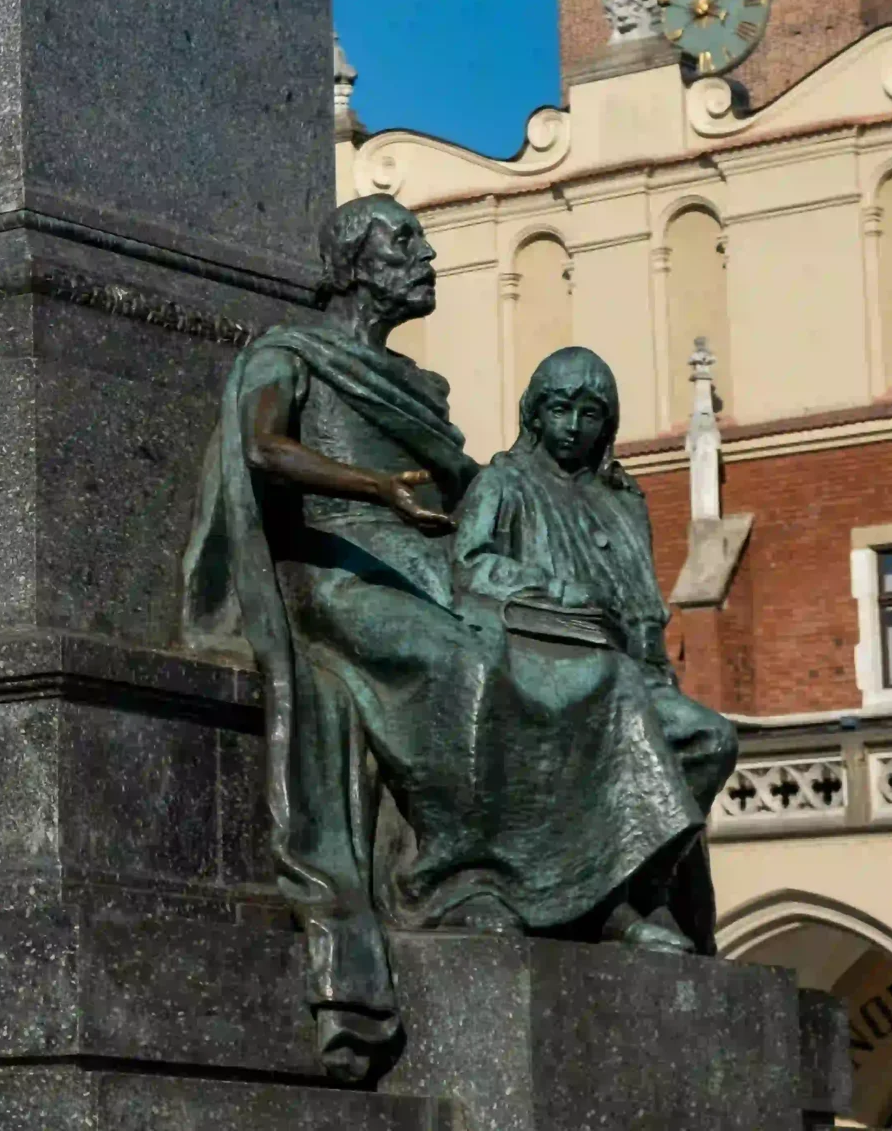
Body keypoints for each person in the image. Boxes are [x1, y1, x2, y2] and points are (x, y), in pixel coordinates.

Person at [183, 198, 739, 1084]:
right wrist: (374, 487)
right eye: (405, 240)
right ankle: (452, 879)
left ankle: (591, 893)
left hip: (431, 568)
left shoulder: (419, 389)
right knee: (468, 667)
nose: (426, 253)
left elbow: (475, 503)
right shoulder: (288, 354)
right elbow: (260, 447)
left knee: (584, 673)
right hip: (337, 570)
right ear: (356, 263)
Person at [451, 345, 737, 955]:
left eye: (589, 415)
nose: (573, 427)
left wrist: (656, 661)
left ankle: (638, 885)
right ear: (534, 414)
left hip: (633, 674)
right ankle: (615, 908)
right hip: (544, 668)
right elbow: (469, 567)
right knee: (620, 703)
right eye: (560, 410)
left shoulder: (624, 501)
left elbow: (645, 601)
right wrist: (550, 588)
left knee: (711, 739)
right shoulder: (503, 484)